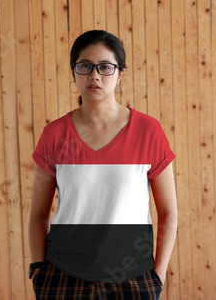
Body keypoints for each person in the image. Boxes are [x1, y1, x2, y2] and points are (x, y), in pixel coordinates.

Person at [29, 30, 178, 299]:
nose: (94, 75)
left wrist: (158, 275)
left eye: (105, 67)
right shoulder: (54, 135)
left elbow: (168, 211)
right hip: (62, 277)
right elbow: (39, 214)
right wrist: (38, 270)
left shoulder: (148, 131)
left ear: (120, 73)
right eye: (85, 66)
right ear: (74, 72)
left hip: (133, 279)